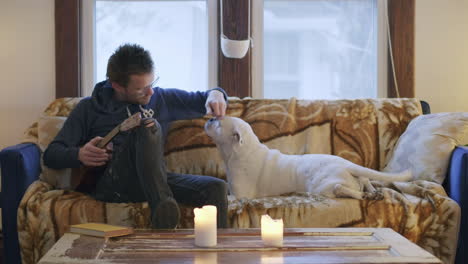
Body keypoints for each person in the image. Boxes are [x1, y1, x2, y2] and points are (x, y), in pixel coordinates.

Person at [43, 43, 229, 229]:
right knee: (146, 125)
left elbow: (206, 97)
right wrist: (80, 154)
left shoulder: (159, 98)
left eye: (152, 84)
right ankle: (162, 204)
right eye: (141, 89)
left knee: (216, 188)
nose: (151, 92)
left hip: (153, 181)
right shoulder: (89, 108)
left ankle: (219, 254)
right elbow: (51, 154)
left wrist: (216, 95)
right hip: (112, 184)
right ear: (117, 86)